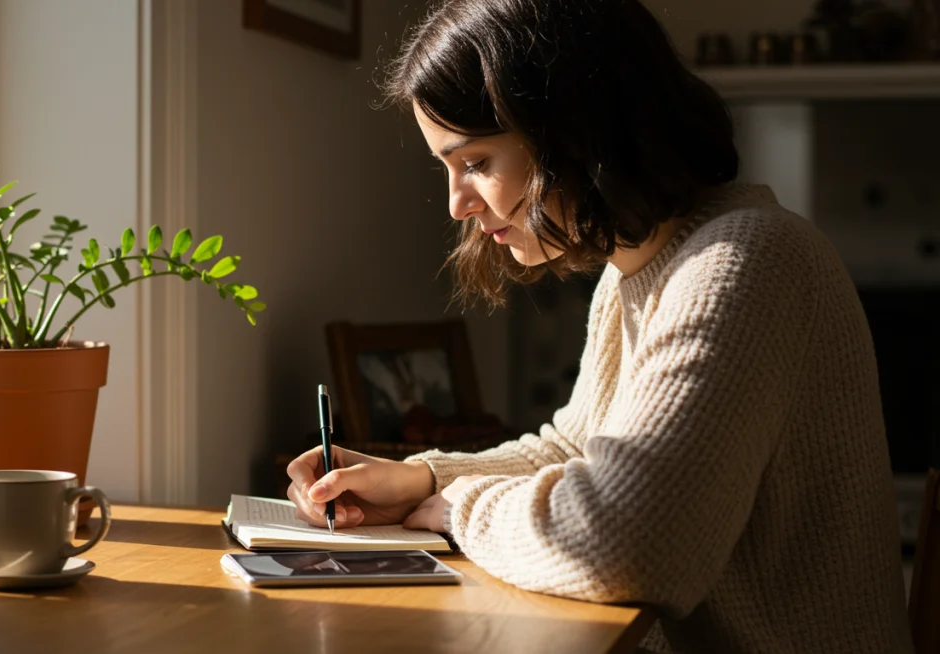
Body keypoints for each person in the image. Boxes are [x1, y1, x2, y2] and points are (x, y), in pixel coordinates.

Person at [283, 1, 912, 651]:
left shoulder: (746, 262)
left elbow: (631, 543)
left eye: (474, 162)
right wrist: (422, 478)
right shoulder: (636, 273)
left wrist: (457, 513)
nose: (457, 203)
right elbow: (576, 451)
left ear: (570, 129)